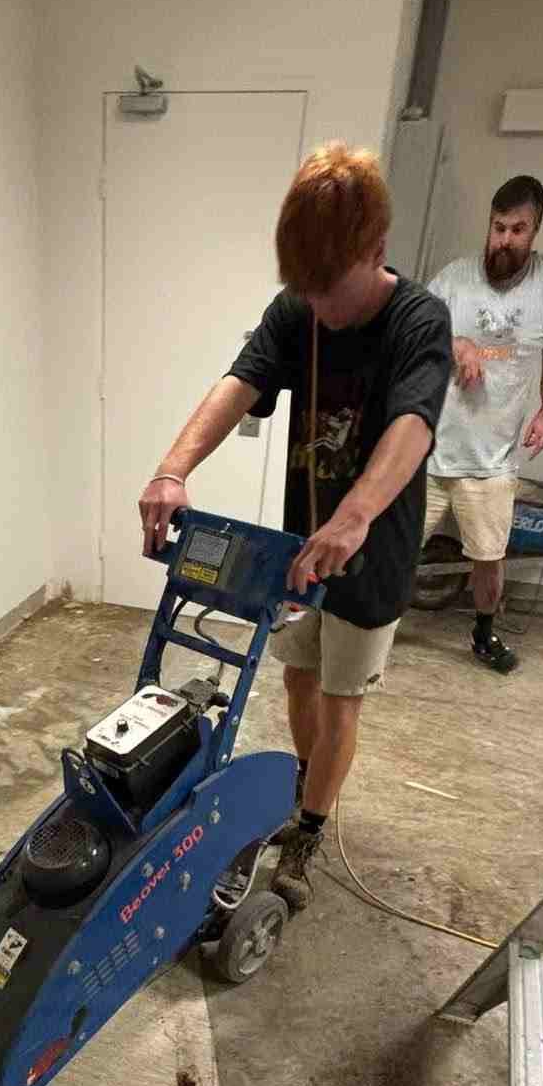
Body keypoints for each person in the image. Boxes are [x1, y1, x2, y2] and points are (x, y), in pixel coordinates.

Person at [137, 143, 451, 913]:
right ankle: (307, 787)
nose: (319, 310)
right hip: (297, 547)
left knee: (342, 692)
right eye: (303, 292)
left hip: (368, 551)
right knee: (297, 673)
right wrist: (173, 469)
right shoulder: (299, 310)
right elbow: (240, 382)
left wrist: (354, 515)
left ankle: (309, 825)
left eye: (330, 292)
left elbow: (413, 424)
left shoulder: (418, 321)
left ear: (376, 251)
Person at [426, 175, 543, 676]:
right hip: (429, 448)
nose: (504, 239)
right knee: (390, 553)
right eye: (497, 227)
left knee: (488, 558)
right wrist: (456, 343)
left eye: (517, 229)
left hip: (493, 458)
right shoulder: (452, 278)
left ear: (536, 230)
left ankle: (484, 634)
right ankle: (364, 630)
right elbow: (414, 333)